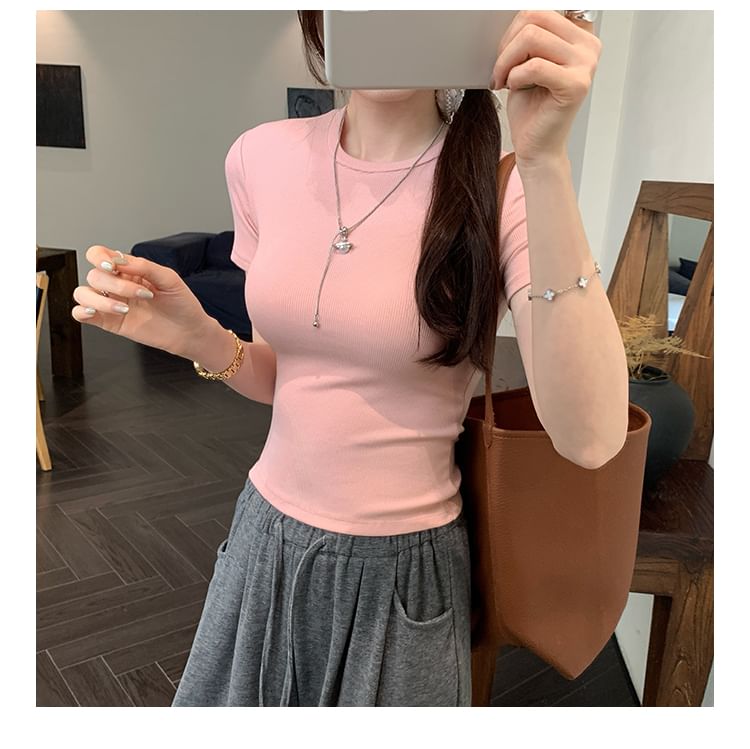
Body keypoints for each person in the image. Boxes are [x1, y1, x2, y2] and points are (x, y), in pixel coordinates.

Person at [70, 10, 628, 706]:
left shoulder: (505, 182)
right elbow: (287, 377)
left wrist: (546, 162)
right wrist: (199, 337)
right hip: (264, 540)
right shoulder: (259, 157)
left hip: (405, 575)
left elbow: (591, 437)